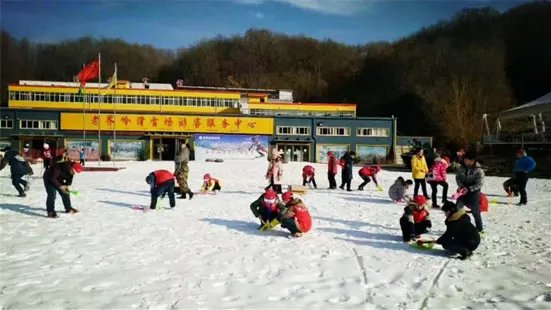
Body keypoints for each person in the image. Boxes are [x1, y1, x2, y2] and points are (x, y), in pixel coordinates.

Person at [455, 152, 485, 234]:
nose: (464, 161)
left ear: (472, 160)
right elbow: (458, 178)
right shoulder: (462, 168)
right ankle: (458, 227)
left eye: (466, 159)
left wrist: (469, 188)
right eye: (464, 159)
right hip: (462, 191)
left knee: (475, 211)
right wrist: (461, 186)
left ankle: (480, 229)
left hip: (474, 192)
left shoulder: (479, 170)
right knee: (457, 208)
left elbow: (480, 183)